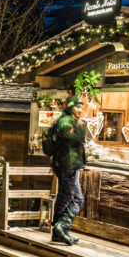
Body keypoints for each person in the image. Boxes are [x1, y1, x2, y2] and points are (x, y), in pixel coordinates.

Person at [48, 96, 87, 245]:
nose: (80, 111)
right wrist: (81, 130)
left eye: (82, 108)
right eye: (77, 107)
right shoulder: (65, 122)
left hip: (69, 163)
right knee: (71, 197)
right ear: (70, 107)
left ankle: (59, 232)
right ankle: (61, 227)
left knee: (67, 197)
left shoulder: (67, 120)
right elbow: (73, 138)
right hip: (68, 164)